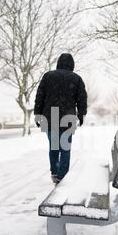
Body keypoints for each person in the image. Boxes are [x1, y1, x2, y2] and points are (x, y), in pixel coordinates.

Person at [34, 53, 87, 185]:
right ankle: (62, 176)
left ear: (58, 63)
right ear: (72, 64)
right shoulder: (76, 79)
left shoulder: (48, 76)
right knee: (65, 148)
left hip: (50, 116)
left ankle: (55, 172)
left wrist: (37, 113)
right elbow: (82, 99)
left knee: (54, 147)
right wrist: (81, 114)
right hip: (67, 118)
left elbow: (40, 95)